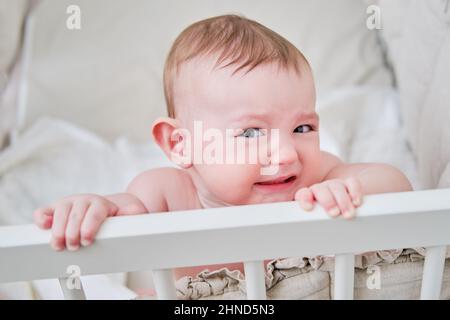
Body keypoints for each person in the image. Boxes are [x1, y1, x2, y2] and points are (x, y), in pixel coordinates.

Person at [33, 15, 412, 280]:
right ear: (181, 144)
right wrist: (98, 207)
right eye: (250, 133)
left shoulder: (315, 181)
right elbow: (127, 215)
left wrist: (352, 190)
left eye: (301, 127)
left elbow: (396, 185)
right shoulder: (165, 195)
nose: (285, 154)